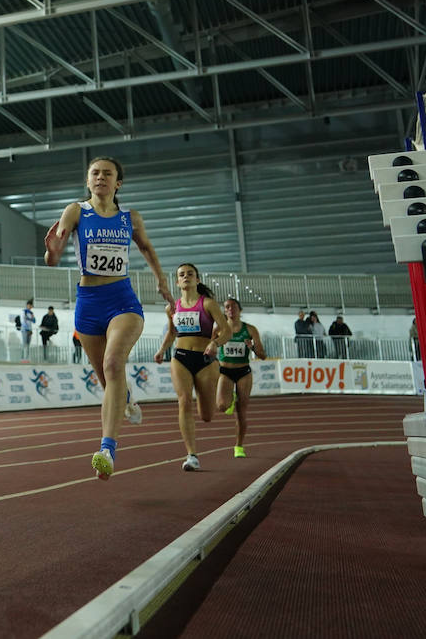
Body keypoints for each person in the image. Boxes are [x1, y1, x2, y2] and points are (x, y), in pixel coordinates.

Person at [44, 156, 172, 480]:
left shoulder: (131, 217)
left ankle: (107, 450)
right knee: (107, 381)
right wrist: (52, 253)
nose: (100, 177)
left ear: (118, 183)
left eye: (108, 174)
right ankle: (126, 397)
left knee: (114, 364)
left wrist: (161, 281)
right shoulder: (76, 211)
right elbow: (54, 253)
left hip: (122, 301)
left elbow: (147, 249)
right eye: (95, 173)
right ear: (88, 181)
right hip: (88, 304)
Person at [155, 263, 233, 473]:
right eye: (182, 275)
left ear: (197, 279)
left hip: (205, 360)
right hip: (180, 357)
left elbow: (226, 331)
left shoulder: (207, 304)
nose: (186, 276)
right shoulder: (172, 307)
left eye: (190, 274)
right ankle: (192, 455)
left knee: (207, 415)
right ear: (177, 282)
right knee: (184, 401)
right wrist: (162, 350)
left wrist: (214, 343)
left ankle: (221, 396)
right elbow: (172, 333)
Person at [215, 297, 266, 458]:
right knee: (222, 406)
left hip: (243, 371)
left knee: (241, 412)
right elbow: (209, 348)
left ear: (240, 310)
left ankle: (239, 446)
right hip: (225, 371)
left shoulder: (250, 330)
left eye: (234, 306)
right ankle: (231, 396)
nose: (230, 309)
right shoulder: (218, 329)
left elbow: (263, 355)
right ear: (224, 311)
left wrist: (252, 347)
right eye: (227, 307)